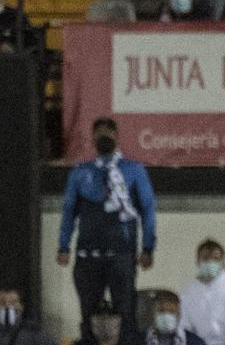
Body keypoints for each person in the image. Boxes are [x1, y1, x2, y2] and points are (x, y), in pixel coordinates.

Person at [57, 117, 156, 330]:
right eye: (99, 133)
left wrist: (148, 247)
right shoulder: (80, 172)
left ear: (117, 137)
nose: (104, 137)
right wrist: (63, 246)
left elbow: (147, 209)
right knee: (89, 315)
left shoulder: (134, 170)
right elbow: (69, 211)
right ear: (92, 138)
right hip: (88, 255)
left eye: (109, 133)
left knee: (125, 314)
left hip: (122, 254)